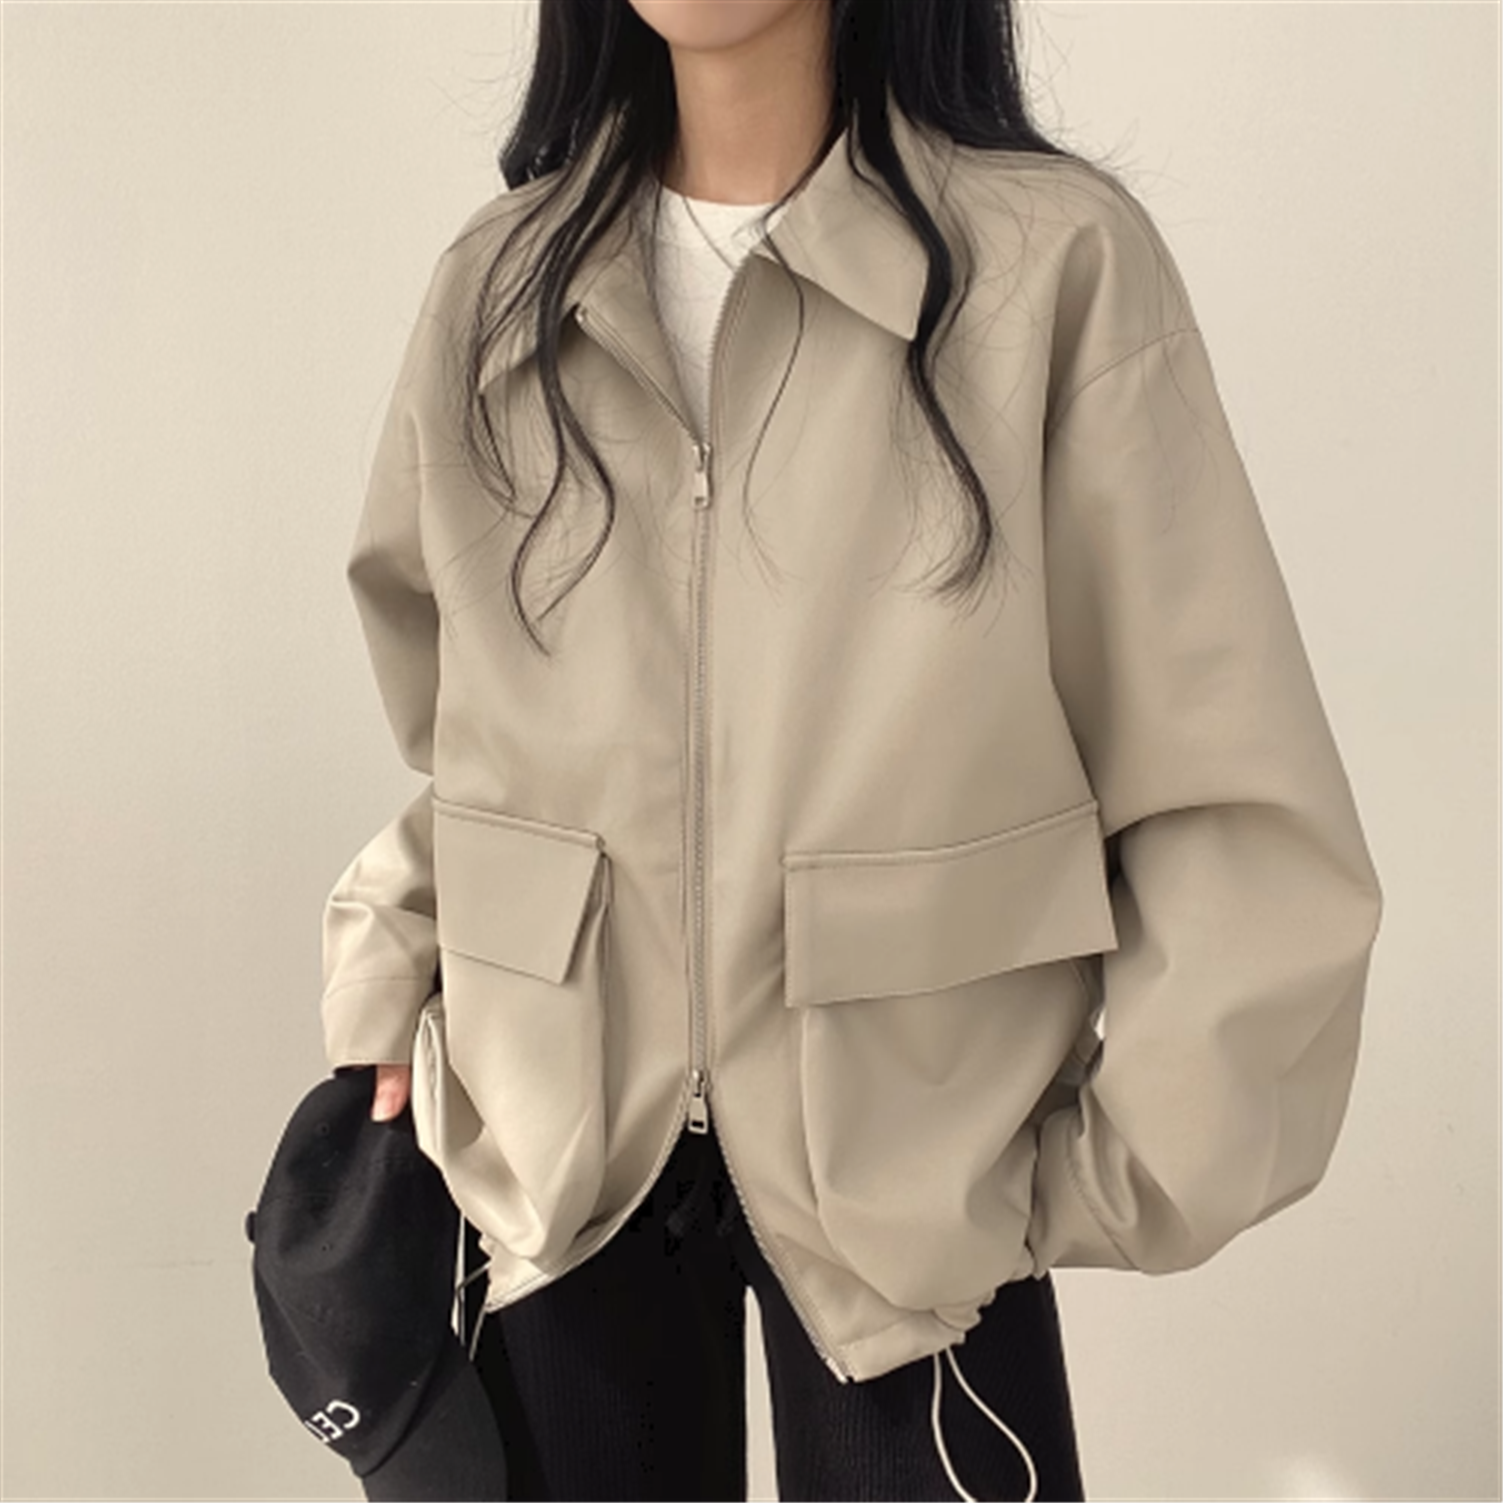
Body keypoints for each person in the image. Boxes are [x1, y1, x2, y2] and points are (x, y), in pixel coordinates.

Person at [319, 1, 1384, 1499]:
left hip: (916, 1202)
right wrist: (388, 963)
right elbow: (473, 743)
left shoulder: (1049, 269)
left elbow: (1226, 789)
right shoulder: (499, 287)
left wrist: (1096, 1176)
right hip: (555, 1171)